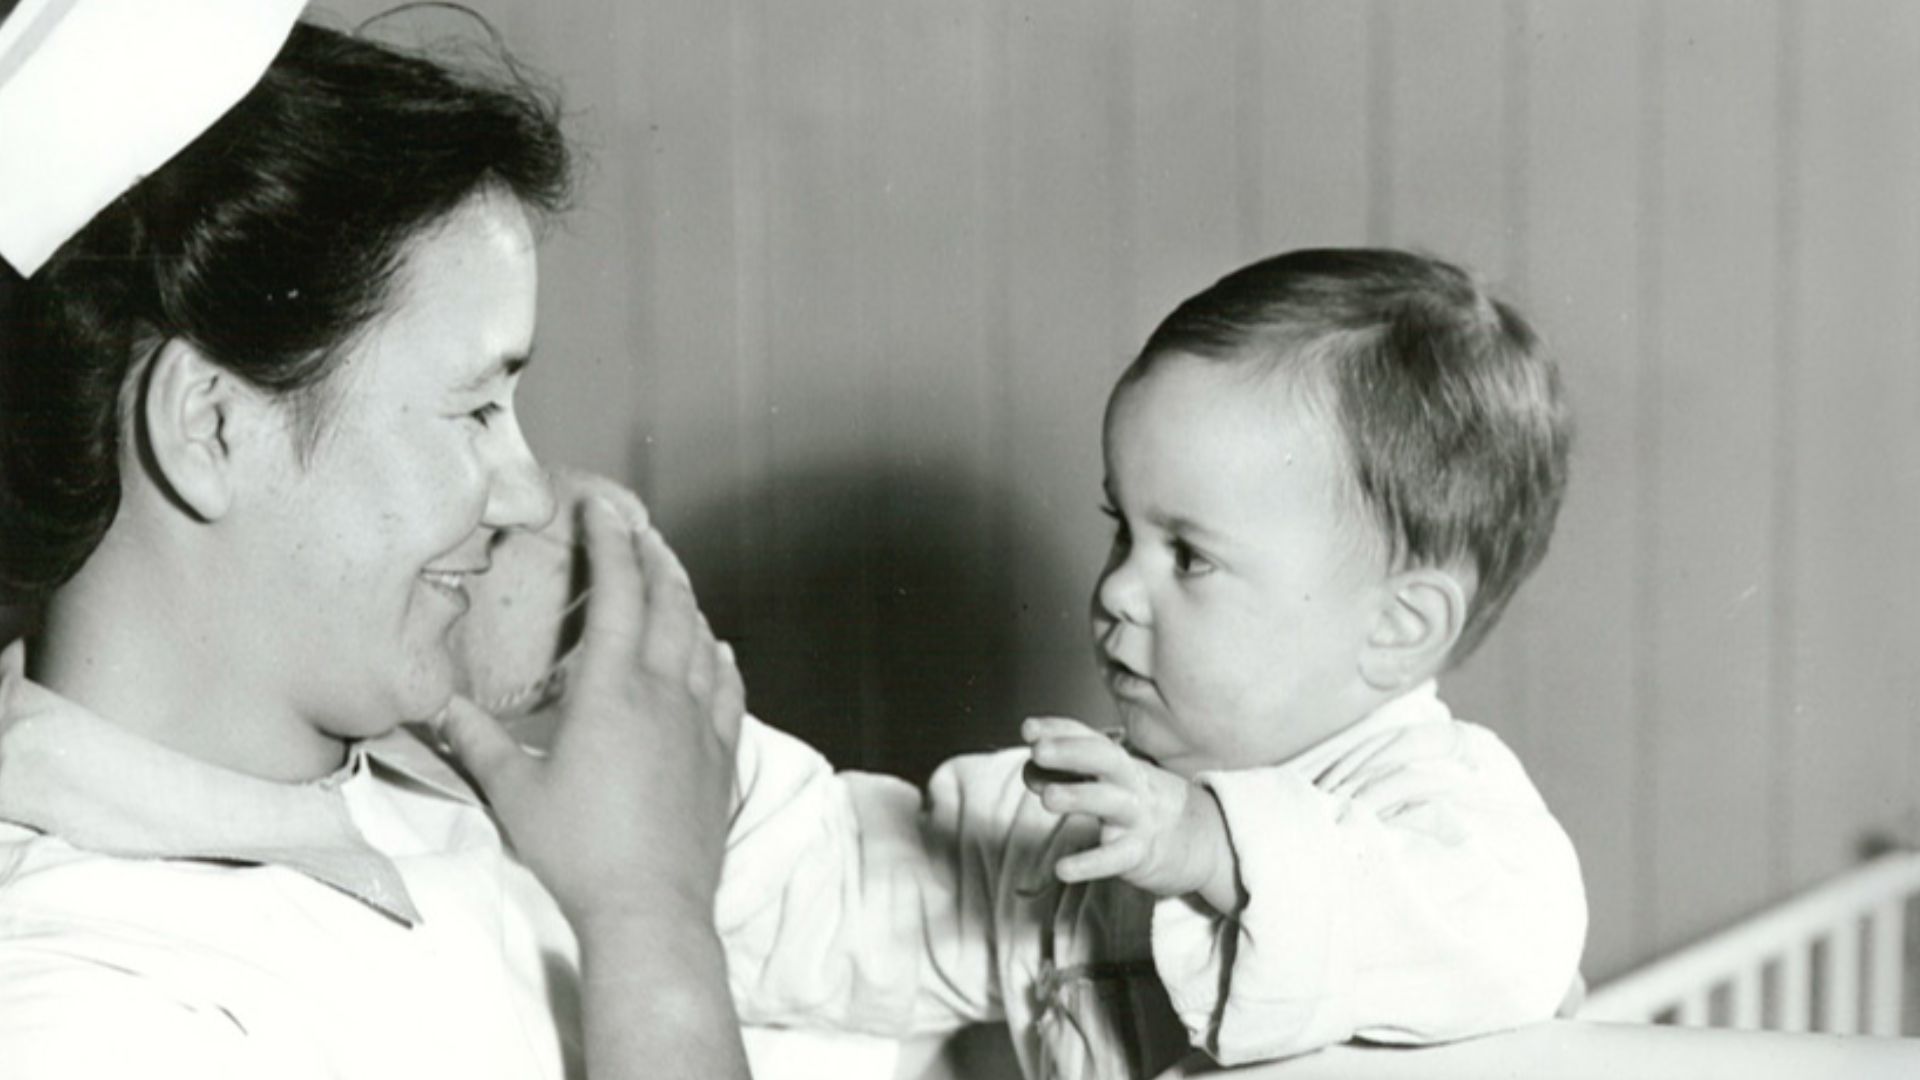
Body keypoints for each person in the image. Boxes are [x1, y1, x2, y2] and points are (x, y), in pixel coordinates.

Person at [0, 9, 748, 1079]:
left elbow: (905, 905)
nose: (531, 494)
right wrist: (654, 919)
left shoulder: (420, 738)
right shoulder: (71, 1013)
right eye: (476, 410)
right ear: (210, 426)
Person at [684, 248, 1588, 1077]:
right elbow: (844, 895)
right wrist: (688, 760)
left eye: (1188, 556)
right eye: (1124, 530)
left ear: (1398, 626)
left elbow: (1502, 947)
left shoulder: (1456, 824)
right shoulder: (1080, 823)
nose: (1117, 590)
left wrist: (1212, 844)